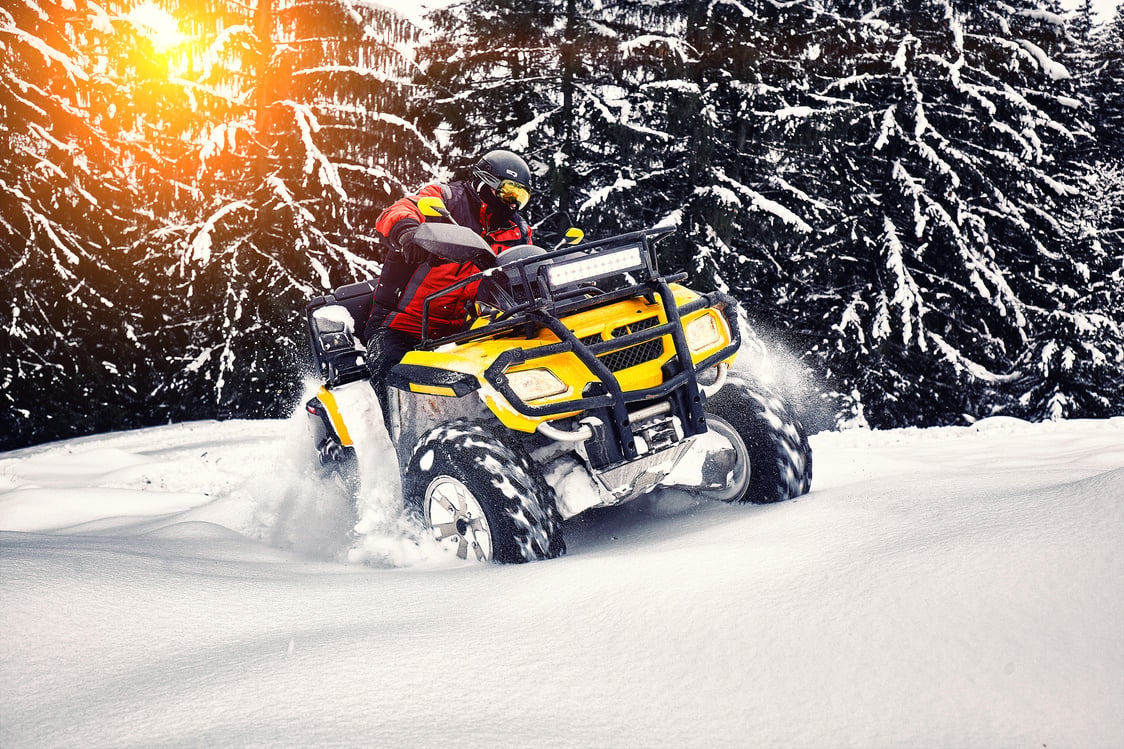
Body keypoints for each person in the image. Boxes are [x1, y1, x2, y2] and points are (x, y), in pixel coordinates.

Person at [364, 149, 534, 418]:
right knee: (393, 380)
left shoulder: (518, 231)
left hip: (466, 331)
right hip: (402, 327)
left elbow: (522, 271)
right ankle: (391, 453)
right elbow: (397, 211)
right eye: (509, 193)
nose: (513, 205)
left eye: (521, 198)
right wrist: (408, 232)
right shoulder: (446, 199)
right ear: (485, 182)